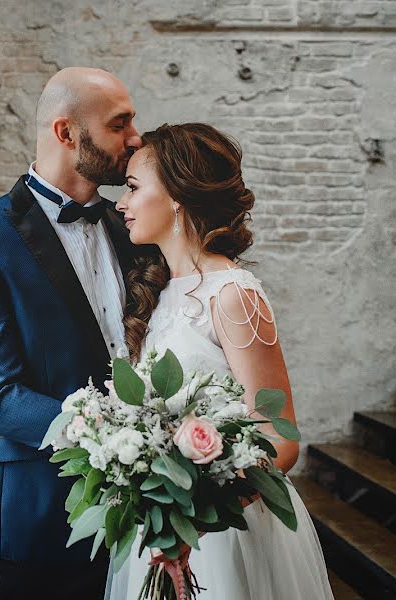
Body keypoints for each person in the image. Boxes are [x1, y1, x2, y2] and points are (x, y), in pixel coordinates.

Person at [0, 67, 145, 598]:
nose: (136, 138)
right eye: (120, 124)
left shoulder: (135, 226)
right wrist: (128, 442)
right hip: (42, 508)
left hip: (150, 506)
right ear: (66, 133)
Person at [107, 122, 334, 599]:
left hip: (226, 533)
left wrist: (196, 523)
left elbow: (280, 438)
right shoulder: (161, 290)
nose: (121, 204)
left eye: (132, 188)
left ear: (176, 195)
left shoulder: (233, 295)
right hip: (164, 530)